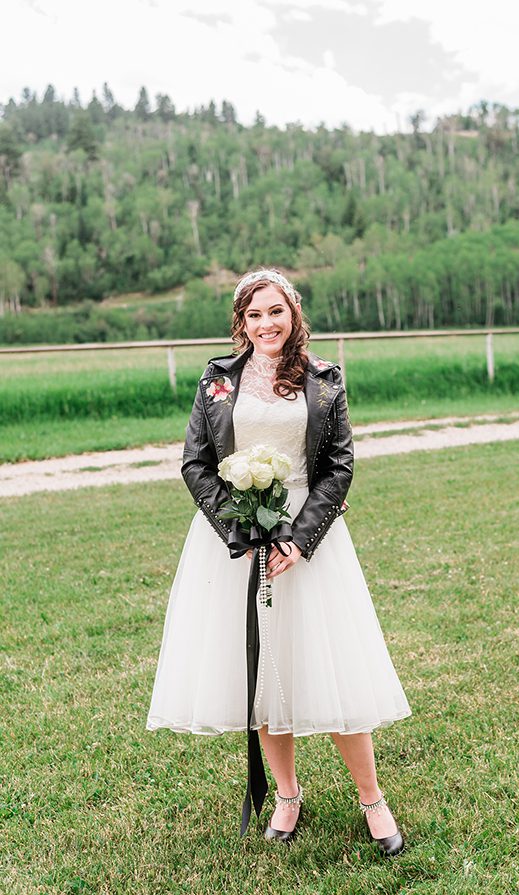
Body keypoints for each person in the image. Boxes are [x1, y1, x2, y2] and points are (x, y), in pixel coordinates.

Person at [147, 268, 411, 856]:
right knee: (261, 670)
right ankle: (287, 796)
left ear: (294, 315)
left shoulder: (323, 380)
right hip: (236, 540)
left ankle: (372, 799)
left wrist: (298, 537)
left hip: (308, 539)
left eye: (276, 312)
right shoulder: (218, 382)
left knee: (334, 667)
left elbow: (340, 466)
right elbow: (195, 463)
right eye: (254, 314)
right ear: (240, 322)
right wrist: (239, 529)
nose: (266, 324)